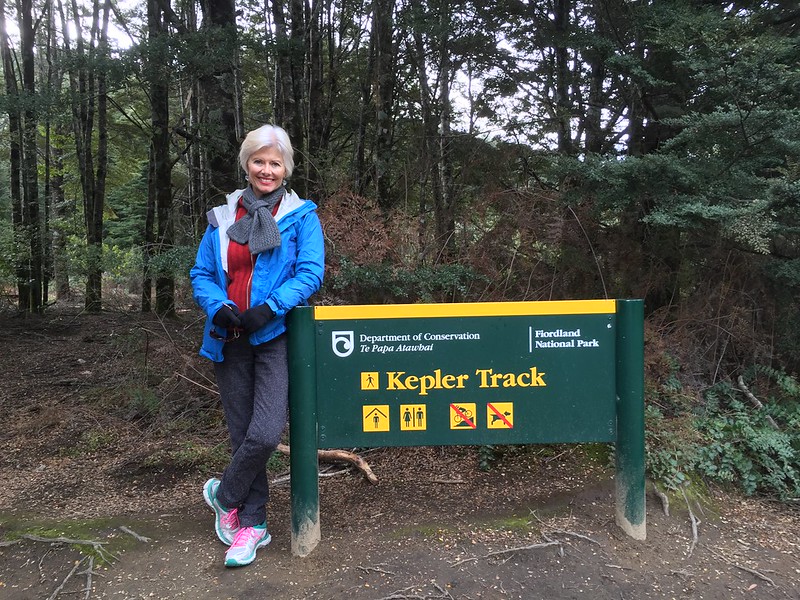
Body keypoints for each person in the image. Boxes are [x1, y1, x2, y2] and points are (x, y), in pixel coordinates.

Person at [190, 124, 324, 567]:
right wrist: (218, 307)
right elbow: (202, 275)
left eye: (275, 162)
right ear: (247, 165)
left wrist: (269, 308)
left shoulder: (301, 216)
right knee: (240, 433)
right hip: (227, 337)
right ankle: (252, 525)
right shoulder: (223, 217)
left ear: (286, 168)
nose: (267, 169)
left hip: (273, 335)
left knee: (265, 433)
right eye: (259, 161)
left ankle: (223, 493)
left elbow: (310, 273)